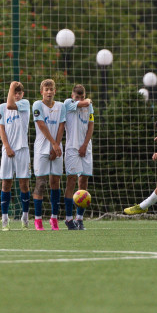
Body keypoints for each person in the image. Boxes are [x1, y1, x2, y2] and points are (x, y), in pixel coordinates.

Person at [0, 81, 32, 230]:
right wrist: (6, 146)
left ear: (22, 94)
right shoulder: (1, 107)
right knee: (6, 183)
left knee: (24, 184)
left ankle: (25, 217)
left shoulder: (24, 103)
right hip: (8, 150)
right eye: (14, 92)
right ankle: (5, 219)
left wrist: (12, 87)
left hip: (22, 149)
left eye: (19, 93)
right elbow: (2, 128)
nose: (16, 95)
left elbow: (11, 105)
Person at [32, 79, 65, 231]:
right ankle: (38, 219)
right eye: (46, 89)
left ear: (55, 91)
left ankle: (54, 219)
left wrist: (56, 145)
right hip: (41, 149)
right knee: (40, 183)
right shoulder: (37, 105)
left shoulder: (61, 106)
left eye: (51, 89)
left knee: (55, 183)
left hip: (56, 148)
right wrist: (53, 144)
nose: (49, 92)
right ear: (42, 92)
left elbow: (61, 126)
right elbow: (41, 125)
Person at [62, 85, 93, 230]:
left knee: (84, 181)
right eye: (77, 96)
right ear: (72, 95)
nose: (79, 99)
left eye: (82, 96)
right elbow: (85, 103)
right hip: (72, 148)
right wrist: (86, 100)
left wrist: (85, 145)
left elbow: (91, 126)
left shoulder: (89, 107)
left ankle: (79, 218)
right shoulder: (68, 103)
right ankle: (68, 219)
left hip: (86, 148)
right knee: (71, 180)